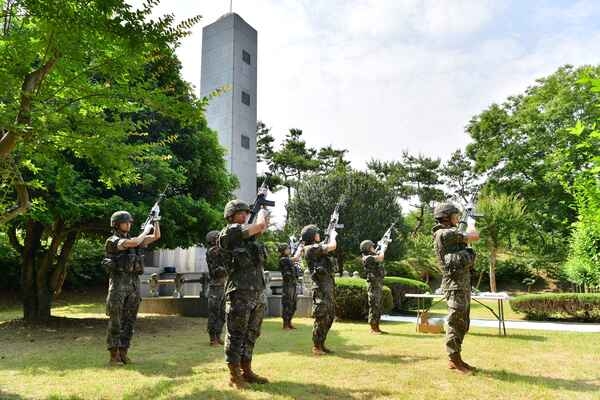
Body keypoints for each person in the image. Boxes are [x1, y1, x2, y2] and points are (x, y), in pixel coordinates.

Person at [218, 199, 270, 389]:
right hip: (239, 292)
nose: (245, 215)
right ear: (231, 215)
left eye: (247, 213)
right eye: (242, 213)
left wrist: (263, 216)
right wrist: (263, 211)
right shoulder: (230, 232)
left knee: (252, 333)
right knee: (236, 334)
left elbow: (260, 228)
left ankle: (246, 369)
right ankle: (234, 375)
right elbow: (261, 225)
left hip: (256, 291)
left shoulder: (248, 237)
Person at [103, 210, 160, 366]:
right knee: (116, 322)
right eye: (125, 222)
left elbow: (156, 237)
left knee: (130, 321)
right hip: (118, 286)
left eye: (129, 222)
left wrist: (155, 220)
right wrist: (145, 230)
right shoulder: (113, 241)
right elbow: (134, 243)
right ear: (116, 224)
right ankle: (113, 356)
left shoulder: (134, 239)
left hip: (133, 286)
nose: (128, 224)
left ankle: (124, 352)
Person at [432, 202, 480, 374]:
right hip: (454, 286)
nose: (458, 219)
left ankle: (457, 358)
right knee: (455, 322)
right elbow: (474, 235)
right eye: (456, 216)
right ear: (446, 217)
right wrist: (471, 220)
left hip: (461, 284)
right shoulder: (444, 233)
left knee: (462, 323)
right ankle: (454, 360)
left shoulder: (452, 234)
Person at [301, 224, 338, 356]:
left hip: (327, 286)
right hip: (321, 287)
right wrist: (333, 235)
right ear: (311, 235)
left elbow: (324, 245)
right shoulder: (310, 249)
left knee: (330, 315)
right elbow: (332, 246)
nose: (319, 234)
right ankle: (316, 346)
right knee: (322, 315)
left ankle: (321, 344)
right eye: (316, 232)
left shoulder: (316, 247)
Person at [360, 239, 387, 334]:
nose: (374, 248)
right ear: (367, 248)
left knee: (378, 306)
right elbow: (380, 257)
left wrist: (383, 245)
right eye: (372, 246)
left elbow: (379, 255)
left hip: (377, 284)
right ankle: (373, 328)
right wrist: (382, 248)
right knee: (374, 305)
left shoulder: (371, 256)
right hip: (373, 285)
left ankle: (377, 327)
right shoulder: (367, 258)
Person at [205, 230, 227, 346]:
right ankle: (212, 338)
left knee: (223, 313)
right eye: (218, 237)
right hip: (215, 287)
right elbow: (217, 270)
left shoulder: (221, 250)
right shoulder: (213, 251)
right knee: (214, 313)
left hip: (223, 286)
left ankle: (218, 336)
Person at [278, 243, 302, 330]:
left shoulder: (288, 259)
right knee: (287, 304)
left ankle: (289, 322)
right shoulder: (283, 259)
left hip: (293, 283)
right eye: (287, 248)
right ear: (283, 250)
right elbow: (295, 258)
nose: (289, 250)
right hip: (287, 284)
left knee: (293, 304)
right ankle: (285, 324)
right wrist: (300, 249)